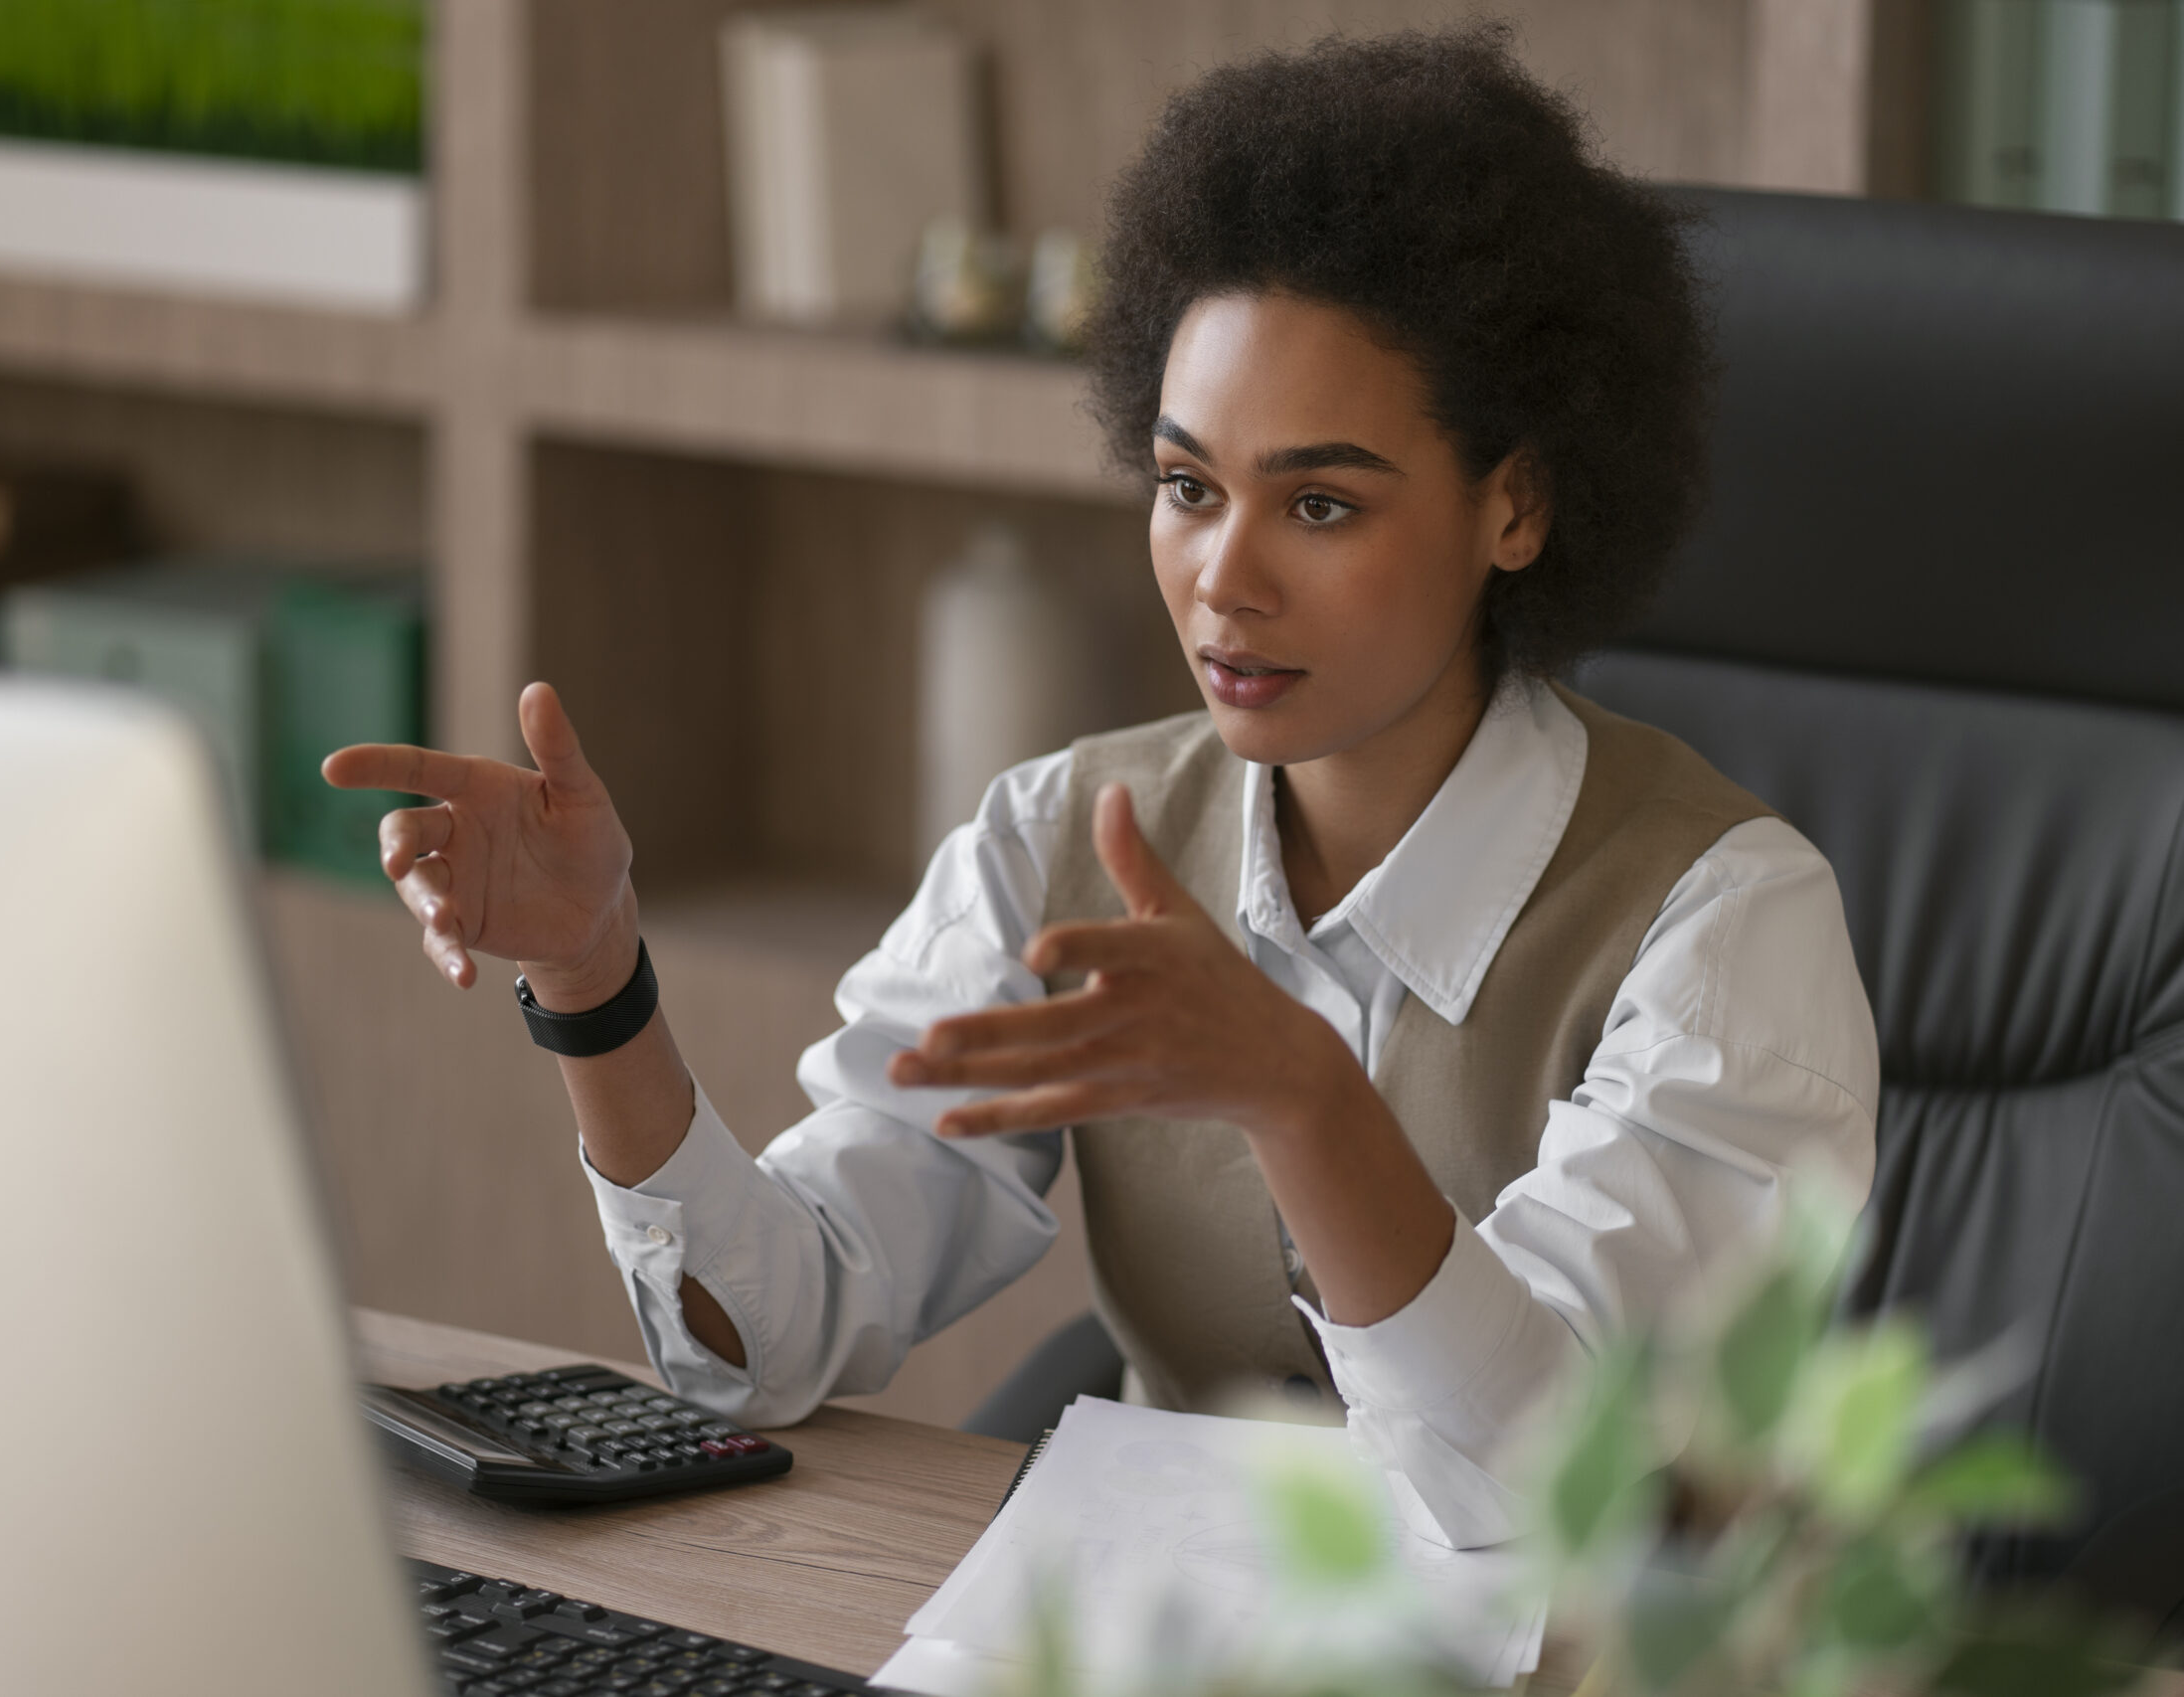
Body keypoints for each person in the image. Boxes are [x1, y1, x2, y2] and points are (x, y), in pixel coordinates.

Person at [325, 25, 1877, 1549]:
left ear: (1518, 505)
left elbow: (1546, 1483)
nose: (1223, 579)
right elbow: (771, 1341)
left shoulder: (1727, 924)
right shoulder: (1060, 834)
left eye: (1320, 503)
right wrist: (598, 982)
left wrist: (1299, 1092)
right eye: (1188, 487)